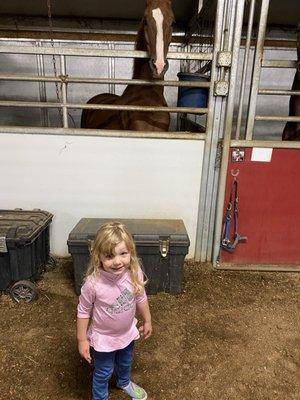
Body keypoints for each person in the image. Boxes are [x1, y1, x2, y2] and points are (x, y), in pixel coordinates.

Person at [77, 221, 152, 400]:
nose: (118, 261)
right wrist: (81, 340)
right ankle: (100, 397)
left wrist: (147, 320)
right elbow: (83, 311)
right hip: (103, 338)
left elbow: (140, 297)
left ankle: (124, 382)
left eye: (123, 254)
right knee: (104, 371)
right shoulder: (93, 284)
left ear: (130, 252)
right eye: (109, 256)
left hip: (127, 333)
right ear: (98, 257)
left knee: (125, 362)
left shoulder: (134, 272)